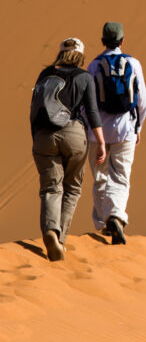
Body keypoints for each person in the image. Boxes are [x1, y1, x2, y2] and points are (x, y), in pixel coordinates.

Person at [30, 37, 106, 262]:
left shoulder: (45, 75)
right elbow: (92, 112)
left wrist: (36, 136)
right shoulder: (84, 77)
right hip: (74, 134)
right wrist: (101, 142)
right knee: (71, 188)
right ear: (80, 55)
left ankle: (50, 231)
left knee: (51, 188)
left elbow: (33, 109)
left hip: (43, 134)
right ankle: (60, 239)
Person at [86, 22, 146, 245]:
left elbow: (87, 103)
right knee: (120, 176)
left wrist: (88, 128)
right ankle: (115, 215)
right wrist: (138, 127)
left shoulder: (94, 66)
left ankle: (103, 223)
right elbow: (143, 102)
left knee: (100, 177)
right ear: (122, 41)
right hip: (125, 130)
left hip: (97, 132)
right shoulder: (133, 63)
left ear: (103, 40)